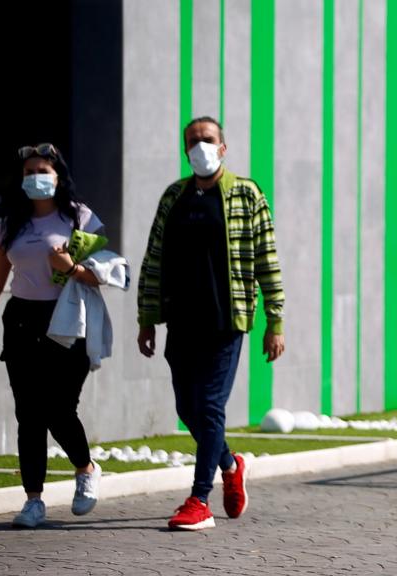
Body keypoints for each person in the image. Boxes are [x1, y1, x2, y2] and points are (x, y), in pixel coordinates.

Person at [137, 116, 286, 531]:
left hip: (226, 319)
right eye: (192, 142)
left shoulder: (246, 193)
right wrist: (147, 319)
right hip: (181, 321)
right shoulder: (174, 198)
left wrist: (276, 320)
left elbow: (267, 261)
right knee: (188, 408)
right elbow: (153, 260)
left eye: (207, 140)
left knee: (209, 406)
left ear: (223, 147)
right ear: (185, 150)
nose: (199, 147)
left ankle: (199, 499)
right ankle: (230, 462)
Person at [0, 143, 104, 528]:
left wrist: (69, 266)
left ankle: (86, 467)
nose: (36, 177)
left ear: (59, 177)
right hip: (22, 320)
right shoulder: (12, 223)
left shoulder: (80, 218)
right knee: (29, 415)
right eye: (28, 172)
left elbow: (100, 275)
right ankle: (33, 500)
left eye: (43, 170)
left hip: (69, 322)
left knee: (60, 408)